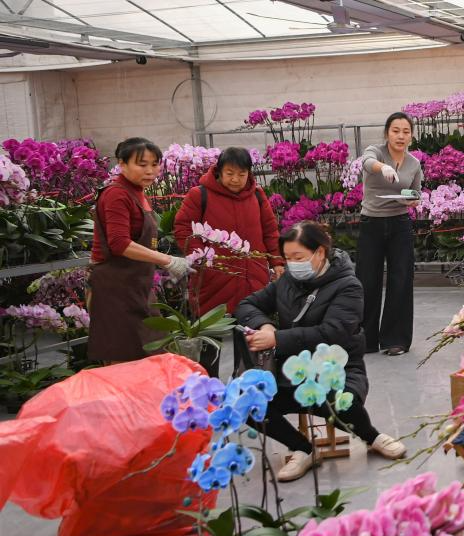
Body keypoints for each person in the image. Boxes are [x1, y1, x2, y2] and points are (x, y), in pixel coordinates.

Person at [235, 220, 406, 481]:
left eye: (298, 257)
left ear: (320, 252)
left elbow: (333, 332)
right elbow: (247, 305)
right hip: (290, 368)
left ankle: (371, 436)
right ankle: (302, 448)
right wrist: (265, 325)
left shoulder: (348, 285)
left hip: (336, 367)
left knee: (342, 401)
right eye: (287, 257)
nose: (292, 264)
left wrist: (276, 339)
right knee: (244, 401)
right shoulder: (286, 282)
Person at [174, 147, 285, 376]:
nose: (235, 179)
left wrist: (276, 262)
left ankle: (247, 388)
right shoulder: (200, 194)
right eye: (230, 173)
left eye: (241, 174)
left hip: (252, 278)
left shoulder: (257, 195)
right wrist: (202, 257)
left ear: (249, 174)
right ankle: (207, 389)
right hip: (213, 279)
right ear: (219, 172)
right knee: (209, 340)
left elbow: (270, 230)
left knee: (250, 339)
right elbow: (183, 228)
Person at [87, 138, 191, 364]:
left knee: (151, 353)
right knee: (124, 359)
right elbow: (119, 244)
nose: (150, 170)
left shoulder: (137, 193)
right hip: (116, 289)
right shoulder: (117, 195)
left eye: (155, 164)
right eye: (142, 164)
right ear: (122, 164)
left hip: (137, 286)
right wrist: (167, 260)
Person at [357, 112, 423, 356]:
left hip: (400, 224)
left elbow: (416, 193)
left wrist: (413, 200)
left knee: (401, 280)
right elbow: (366, 162)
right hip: (371, 223)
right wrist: (382, 167)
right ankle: (366, 339)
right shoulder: (376, 151)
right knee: (367, 280)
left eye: (406, 131)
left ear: (411, 136)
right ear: (387, 133)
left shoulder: (414, 163)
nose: (401, 136)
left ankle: (396, 340)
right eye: (396, 131)